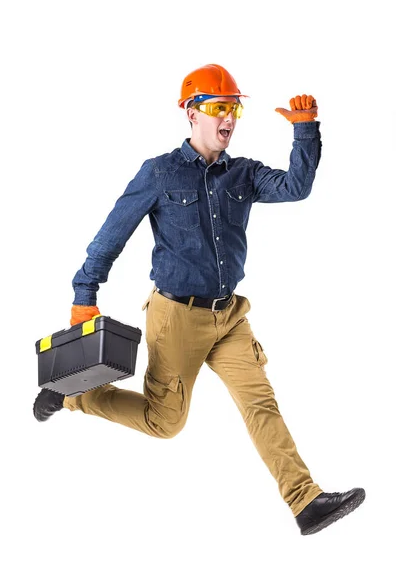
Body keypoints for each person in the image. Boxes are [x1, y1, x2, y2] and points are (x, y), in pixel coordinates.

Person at [33, 64, 365, 535]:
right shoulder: (159, 173)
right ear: (191, 113)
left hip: (229, 315)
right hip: (177, 318)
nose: (227, 117)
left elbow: (297, 187)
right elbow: (112, 235)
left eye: (233, 108)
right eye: (217, 107)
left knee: (261, 404)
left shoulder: (243, 174)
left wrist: (305, 131)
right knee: (164, 422)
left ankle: (304, 501)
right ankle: (77, 398)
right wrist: (84, 295)